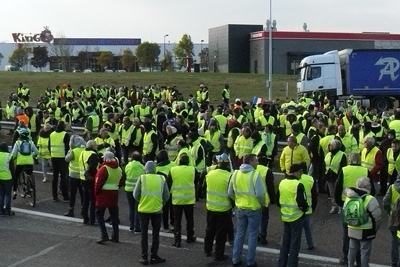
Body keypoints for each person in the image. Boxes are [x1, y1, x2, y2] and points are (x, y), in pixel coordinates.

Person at [228, 154, 267, 267]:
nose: (257, 163)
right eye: (255, 161)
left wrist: (237, 201)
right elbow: (260, 194)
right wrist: (261, 203)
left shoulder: (235, 174)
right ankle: (250, 261)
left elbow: (230, 192)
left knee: (240, 233)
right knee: (253, 234)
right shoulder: (255, 175)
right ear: (250, 162)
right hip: (253, 208)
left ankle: (235, 258)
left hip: (240, 207)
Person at [134, 161, 169, 265]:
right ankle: (154, 256)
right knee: (155, 234)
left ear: (145, 169)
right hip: (157, 210)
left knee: (144, 234)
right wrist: (161, 203)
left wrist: (142, 201)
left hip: (144, 209)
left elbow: (136, 194)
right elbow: (166, 195)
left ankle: (144, 257)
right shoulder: (161, 178)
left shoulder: (142, 178)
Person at [276, 163, 309, 267]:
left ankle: (281, 263)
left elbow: (277, 201)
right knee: (295, 244)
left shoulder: (282, 183)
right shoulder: (298, 185)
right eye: (300, 172)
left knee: (285, 243)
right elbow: (302, 202)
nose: (301, 174)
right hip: (296, 217)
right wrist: (305, 209)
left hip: (285, 216)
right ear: (295, 172)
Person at [345, 177, 382, 267]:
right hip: (366, 230)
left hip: (352, 227)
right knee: (365, 252)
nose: (371, 186)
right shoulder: (370, 199)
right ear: (366, 186)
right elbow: (377, 217)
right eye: (370, 184)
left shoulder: (349, 198)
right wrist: (375, 229)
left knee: (352, 251)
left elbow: (345, 212)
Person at [202, 153, 232, 262]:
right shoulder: (229, 176)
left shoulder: (210, 174)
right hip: (223, 209)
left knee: (209, 230)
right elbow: (231, 193)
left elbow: (204, 187)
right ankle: (219, 255)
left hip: (210, 207)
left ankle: (207, 250)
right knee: (221, 234)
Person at [167, 154, 199, 248]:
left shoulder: (173, 170)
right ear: (188, 162)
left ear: (179, 161)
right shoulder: (193, 170)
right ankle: (190, 237)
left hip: (177, 200)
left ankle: (177, 240)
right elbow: (197, 180)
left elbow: (168, 184)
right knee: (190, 219)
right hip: (189, 200)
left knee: (177, 221)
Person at [94, 151, 123, 244]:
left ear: (105, 158)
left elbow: (98, 184)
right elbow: (122, 181)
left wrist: (96, 194)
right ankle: (115, 236)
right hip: (114, 195)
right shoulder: (119, 169)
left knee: (99, 215)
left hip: (103, 195)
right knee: (114, 217)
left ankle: (104, 235)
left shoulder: (104, 169)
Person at [11, 128, 38, 200]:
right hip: (29, 162)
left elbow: (13, 154)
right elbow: (36, 152)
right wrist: (32, 155)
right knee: (29, 174)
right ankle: (31, 188)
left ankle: (14, 191)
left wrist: (12, 159)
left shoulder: (18, 143)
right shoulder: (31, 142)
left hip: (20, 162)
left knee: (16, 176)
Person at [64, 135, 86, 217]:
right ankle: (83, 209)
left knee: (73, 194)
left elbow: (67, 159)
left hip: (73, 175)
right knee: (82, 193)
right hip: (82, 175)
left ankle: (71, 210)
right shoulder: (84, 150)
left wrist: (70, 149)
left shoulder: (73, 151)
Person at [324, 139, 347, 214]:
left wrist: (340, 177)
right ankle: (334, 206)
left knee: (339, 192)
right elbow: (324, 165)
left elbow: (343, 166)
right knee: (332, 193)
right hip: (329, 176)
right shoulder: (328, 154)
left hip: (337, 176)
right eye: (329, 145)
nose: (330, 146)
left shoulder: (342, 154)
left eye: (331, 145)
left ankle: (340, 207)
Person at [155, 150, 176, 233]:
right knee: (173, 209)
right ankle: (173, 225)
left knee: (164, 210)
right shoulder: (173, 165)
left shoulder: (157, 168)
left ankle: (165, 226)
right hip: (174, 190)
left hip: (164, 191)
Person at [49, 121, 70, 202]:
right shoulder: (65, 134)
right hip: (62, 158)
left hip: (54, 157)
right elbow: (67, 147)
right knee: (63, 177)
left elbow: (49, 146)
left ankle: (54, 196)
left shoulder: (52, 134)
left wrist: (52, 154)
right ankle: (65, 196)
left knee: (55, 177)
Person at [79, 140, 99, 225]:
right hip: (90, 179)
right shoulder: (93, 154)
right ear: (93, 146)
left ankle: (85, 217)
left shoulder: (82, 152)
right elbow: (92, 168)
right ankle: (92, 219)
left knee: (85, 200)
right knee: (93, 201)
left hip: (82, 178)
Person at [299, 162, 317, 250]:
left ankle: (294, 244)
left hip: (296, 209)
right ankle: (310, 244)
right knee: (307, 228)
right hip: (308, 208)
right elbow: (314, 195)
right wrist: (313, 207)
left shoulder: (294, 179)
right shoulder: (310, 179)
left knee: (295, 229)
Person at [124, 151, 144, 233]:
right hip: (138, 190)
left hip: (128, 189)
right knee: (137, 209)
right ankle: (137, 227)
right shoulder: (142, 167)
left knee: (131, 208)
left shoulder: (128, 166)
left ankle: (131, 226)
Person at [383, 175, 400, 267]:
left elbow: (385, 202)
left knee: (394, 241)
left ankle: (394, 262)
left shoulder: (392, 187)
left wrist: (390, 212)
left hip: (394, 219)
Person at [0, 142, 15, 216]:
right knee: (8, 195)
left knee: (1, 194)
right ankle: (7, 210)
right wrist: (14, 179)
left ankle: (1, 210)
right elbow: (12, 169)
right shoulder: (9, 156)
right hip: (8, 177)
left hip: (0, 177)